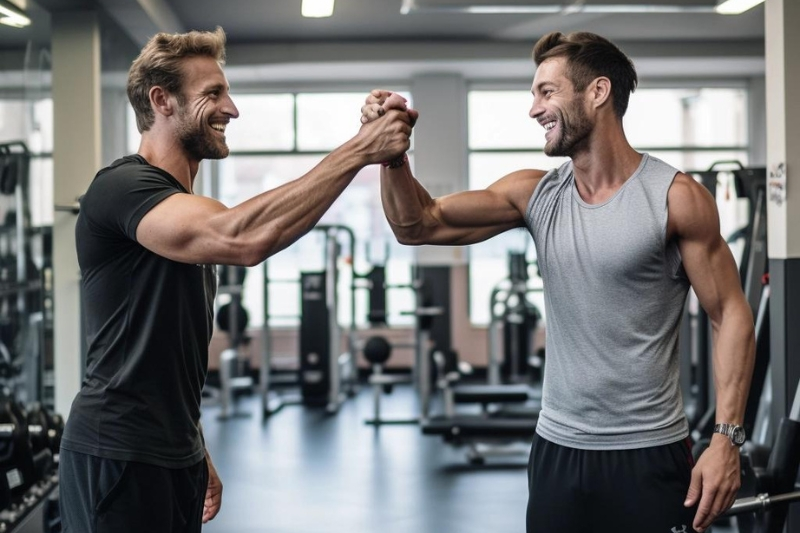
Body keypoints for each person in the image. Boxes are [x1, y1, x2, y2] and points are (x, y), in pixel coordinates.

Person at [363, 31, 755, 533]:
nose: (534, 109)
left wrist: (726, 439)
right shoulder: (536, 194)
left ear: (597, 92)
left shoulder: (675, 198)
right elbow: (415, 224)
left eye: (547, 92)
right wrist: (393, 157)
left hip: (648, 452)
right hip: (557, 451)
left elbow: (731, 313)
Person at [59, 27, 412, 533]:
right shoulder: (121, 188)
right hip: (117, 453)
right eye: (213, 94)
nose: (232, 109)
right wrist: (360, 149)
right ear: (162, 101)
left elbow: (167, 350)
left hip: (172, 453)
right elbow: (243, 237)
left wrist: (194, 446)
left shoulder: (182, 210)